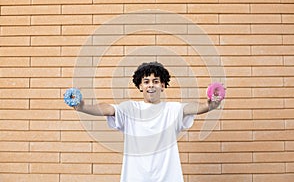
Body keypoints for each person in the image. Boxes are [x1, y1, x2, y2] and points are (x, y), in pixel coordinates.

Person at [73, 61, 221, 182]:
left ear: (162, 86)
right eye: (146, 81)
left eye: (156, 81)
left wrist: (211, 104)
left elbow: (196, 107)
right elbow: (107, 109)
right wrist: (83, 107)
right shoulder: (129, 108)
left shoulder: (173, 109)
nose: (151, 85)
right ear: (140, 86)